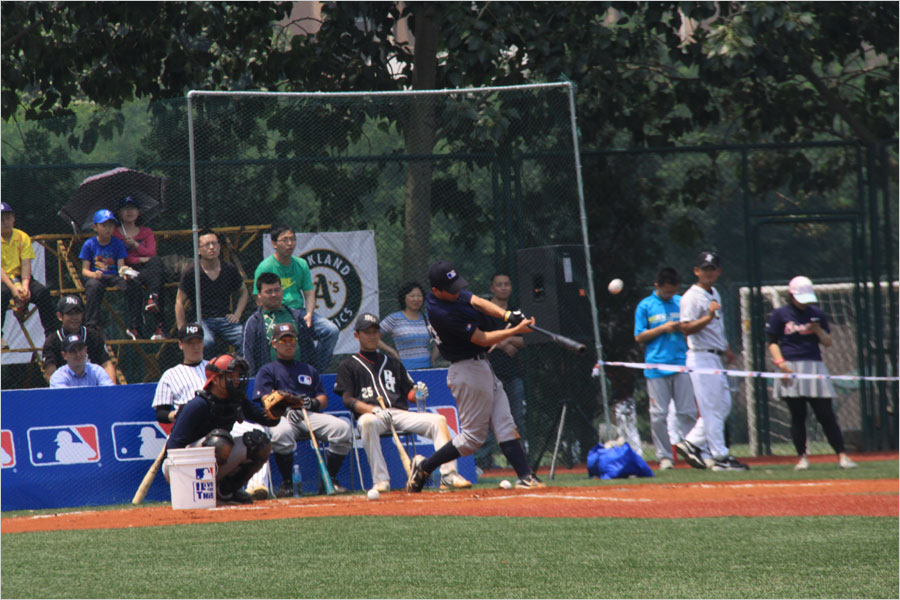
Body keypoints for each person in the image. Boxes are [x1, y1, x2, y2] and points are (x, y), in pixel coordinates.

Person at [407, 260, 543, 492]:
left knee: (505, 424)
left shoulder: (449, 294)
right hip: (467, 371)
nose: (457, 291)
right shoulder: (441, 312)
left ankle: (525, 476)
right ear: (437, 291)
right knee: (472, 439)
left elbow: (477, 301)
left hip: (481, 367)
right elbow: (482, 339)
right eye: (451, 289)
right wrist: (515, 330)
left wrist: (507, 315)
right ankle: (425, 467)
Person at [335, 312, 472, 493]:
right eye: (366, 332)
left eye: (375, 331)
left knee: (438, 421)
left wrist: (417, 393)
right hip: (372, 416)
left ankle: (449, 475)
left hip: (399, 413)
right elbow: (348, 400)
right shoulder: (348, 366)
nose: (371, 336)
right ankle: (381, 481)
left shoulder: (392, 362)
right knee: (367, 423)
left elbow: (409, 393)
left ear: (380, 334)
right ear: (356, 335)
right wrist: (372, 410)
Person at [766, 276, 857, 470]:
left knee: (826, 414)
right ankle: (802, 457)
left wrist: (818, 331)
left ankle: (842, 455)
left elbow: (828, 342)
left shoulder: (816, 313)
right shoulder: (780, 314)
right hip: (790, 366)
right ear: (792, 295)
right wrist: (780, 363)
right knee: (798, 415)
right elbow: (772, 341)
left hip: (814, 366)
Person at [164, 354, 280, 505]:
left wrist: (278, 409)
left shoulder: (236, 399)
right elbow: (173, 448)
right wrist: (184, 480)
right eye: (231, 376)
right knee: (220, 441)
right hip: (181, 467)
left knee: (259, 443)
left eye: (238, 376)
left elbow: (267, 420)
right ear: (216, 379)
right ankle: (200, 492)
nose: (237, 381)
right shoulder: (198, 405)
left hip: (212, 457)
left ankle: (226, 491)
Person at [253, 322, 352, 496]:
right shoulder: (267, 370)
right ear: (274, 344)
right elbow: (264, 399)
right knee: (281, 432)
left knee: (342, 429)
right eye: (283, 340)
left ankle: (330, 480)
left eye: (292, 339)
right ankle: (287, 484)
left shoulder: (308, 369)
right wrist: (284, 409)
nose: (288, 343)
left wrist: (311, 403)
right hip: (282, 416)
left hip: (308, 414)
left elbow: (323, 398)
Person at [679, 251, 749, 471]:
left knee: (723, 405)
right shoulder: (691, 296)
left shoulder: (715, 292)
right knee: (711, 408)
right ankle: (720, 456)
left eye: (712, 269)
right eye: (704, 269)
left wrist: (726, 350)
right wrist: (708, 316)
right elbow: (685, 328)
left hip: (715, 356)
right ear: (696, 271)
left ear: (718, 271)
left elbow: (716, 328)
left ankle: (691, 443)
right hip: (700, 356)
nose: (708, 273)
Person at [634, 267, 704, 470]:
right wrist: (662, 328)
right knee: (658, 415)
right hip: (656, 368)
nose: (670, 295)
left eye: (673, 291)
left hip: (681, 364)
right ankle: (665, 457)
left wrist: (683, 328)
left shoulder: (681, 302)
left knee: (688, 412)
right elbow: (639, 337)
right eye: (666, 291)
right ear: (657, 286)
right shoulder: (645, 306)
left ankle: (694, 452)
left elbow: (692, 329)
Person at [252, 224, 339, 371]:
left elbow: (309, 293)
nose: (290, 243)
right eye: (284, 240)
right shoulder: (265, 267)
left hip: (299, 312)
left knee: (331, 330)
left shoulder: (301, 264)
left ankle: (316, 371)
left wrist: (310, 314)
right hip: (275, 312)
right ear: (274, 244)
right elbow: (258, 296)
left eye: (292, 239)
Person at [476, 272, 528, 471]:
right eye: (499, 284)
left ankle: (518, 461)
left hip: (513, 373)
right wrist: (503, 342)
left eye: (507, 284)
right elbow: (480, 337)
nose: (503, 287)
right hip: (487, 372)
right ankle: (484, 460)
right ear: (492, 288)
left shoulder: (517, 313)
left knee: (515, 418)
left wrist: (506, 340)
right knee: (485, 418)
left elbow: (525, 339)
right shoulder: (484, 311)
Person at [175, 228, 249, 359]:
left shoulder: (229, 269)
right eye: (206, 245)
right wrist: (182, 329)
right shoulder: (191, 272)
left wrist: (237, 314)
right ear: (198, 250)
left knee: (246, 338)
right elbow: (179, 302)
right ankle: (207, 373)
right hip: (201, 320)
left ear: (219, 247)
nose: (211, 247)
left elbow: (244, 292)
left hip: (225, 319)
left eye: (214, 243)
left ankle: (237, 367)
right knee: (206, 342)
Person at [1, 202, 59, 343]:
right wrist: (14, 290)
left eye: (7, 218)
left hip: (23, 277)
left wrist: (25, 286)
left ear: (13, 218)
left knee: (42, 292)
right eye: (1, 219)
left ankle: (51, 336)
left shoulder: (22, 237)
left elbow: (26, 264)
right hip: (4, 280)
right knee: (1, 294)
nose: (4, 222)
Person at [112, 196, 165, 341]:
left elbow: (152, 254)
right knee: (134, 285)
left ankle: (154, 303)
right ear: (119, 212)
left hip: (147, 269)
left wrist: (135, 245)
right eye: (125, 208)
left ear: (139, 212)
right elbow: (120, 258)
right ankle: (135, 327)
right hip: (127, 270)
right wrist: (138, 258)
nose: (130, 212)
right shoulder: (115, 233)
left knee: (157, 266)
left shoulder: (146, 231)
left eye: (133, 208)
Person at [243, 271, 315, 376]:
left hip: (299, 378)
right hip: (270, 380)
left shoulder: (297, 316)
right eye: (269, 291)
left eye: (277, 290)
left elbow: (310, 350)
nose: (274, 295)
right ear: (259, 294)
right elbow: (248, 356)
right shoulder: (254, 322)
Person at [79, 208, 135, 330]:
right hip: (96, 277)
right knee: (94, 287)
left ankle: (135, 324)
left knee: (132, 286)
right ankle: (91, 325)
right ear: (95, 227)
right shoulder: (89, 244)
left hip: (113, 276)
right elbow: (84, 271)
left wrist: (126, 272)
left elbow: (121, 267)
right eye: (104, 225)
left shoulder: (118, 244)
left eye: (110, 225)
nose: (108, 228)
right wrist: (93, 275)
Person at [42, 295, 117, 384]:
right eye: (70, 313)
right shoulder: (52, 341)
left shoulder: (93, 336)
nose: (74, 317)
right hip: (66, 389)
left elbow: (107, 364)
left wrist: (111, 392)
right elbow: (50, 375)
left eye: (77, 313)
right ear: (60, 316)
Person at [152, 322, 208, 425]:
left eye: (198, 341)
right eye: (190, 342)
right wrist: (176, 414)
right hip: (188, 426)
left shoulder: (214, 367)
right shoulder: (170, 375)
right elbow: (161, 413)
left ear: (203, 343)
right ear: (180, 344)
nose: (195, 346)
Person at [378, 281, 438, 370]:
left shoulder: (428, 319)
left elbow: (439, 339)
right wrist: (392, 352)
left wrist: (434, 357)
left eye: (419, 296)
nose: (416, 299)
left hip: (427, 368)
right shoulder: (394, 319)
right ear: (404, 298)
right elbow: (373, 337)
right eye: (412, 296)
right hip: (403, 369)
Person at [48, 332, 114, 388]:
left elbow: (110, 392)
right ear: (64, 355)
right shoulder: (58, 376)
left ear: (86, 350)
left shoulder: (97, 371)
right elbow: (65, 399)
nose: (78, 354)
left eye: (80, 349)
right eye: (73, 351)